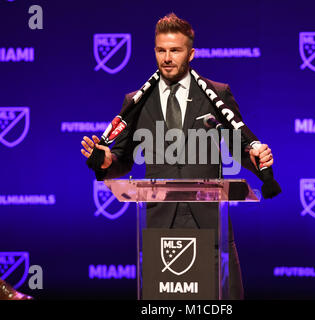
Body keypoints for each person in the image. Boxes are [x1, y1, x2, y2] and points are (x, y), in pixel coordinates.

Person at [81, 13, 274, 299]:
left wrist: (258, 156)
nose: (167, 57)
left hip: (209, 220)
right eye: (161, 50)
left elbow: (237, 144)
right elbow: (123, 158)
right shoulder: (136, 101)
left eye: (175, 50)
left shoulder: (217, 94)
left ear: (191, 53)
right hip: (160, 221)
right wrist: (107, 161)